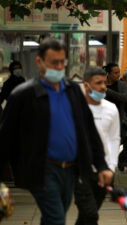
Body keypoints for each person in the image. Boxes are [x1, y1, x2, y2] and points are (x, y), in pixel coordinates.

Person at [0, 38, 113, 225]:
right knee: (56, 219)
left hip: (70, 169)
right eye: (54, 62)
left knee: (55, 214)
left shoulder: (72, 91)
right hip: (42, 169)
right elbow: (5, 137)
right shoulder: (24, 95)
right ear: (40, 62)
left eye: (62, 62)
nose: (59, 67)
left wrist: (101, 165)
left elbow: (89, 131)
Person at [74, 67, 120, 225]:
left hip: (103, 171)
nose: (103, 87)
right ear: (86, 86)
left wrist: (112, 167)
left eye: (105, 83)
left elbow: (114, 139)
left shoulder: (111, 109)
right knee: (91, 214)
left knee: (87, 216)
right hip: (80, 172)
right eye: (98, 83)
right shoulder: (75, 109)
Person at [104, 63, 127, 144]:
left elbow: (125, 98)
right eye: (116, 73)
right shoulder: (101, 84)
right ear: (109, 74)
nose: (118, 75)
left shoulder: (122, 85)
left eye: (119, 72)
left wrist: (108, 91)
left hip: (118, 121)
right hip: (104, 120)